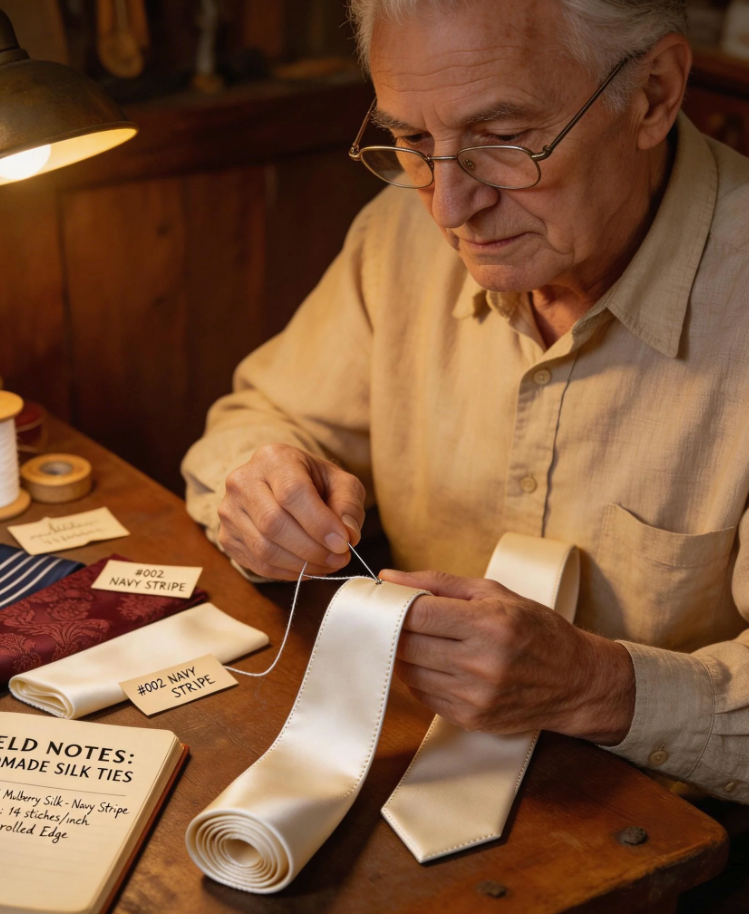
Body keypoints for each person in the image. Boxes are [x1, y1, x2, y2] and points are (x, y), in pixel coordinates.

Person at [182, 0, 749, 800]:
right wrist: (265, 484)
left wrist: (598, 687)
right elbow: (252, 423)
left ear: (653, 94)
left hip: (682, 838)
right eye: (412, 141)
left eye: (503, 138)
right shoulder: (399, 236)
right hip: (406, 760)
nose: (449, 210)